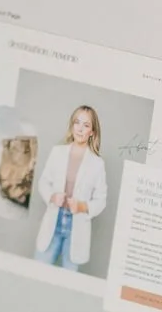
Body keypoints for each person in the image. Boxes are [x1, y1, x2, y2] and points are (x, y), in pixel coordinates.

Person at [32, 105, 108, 270]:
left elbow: (101, 200)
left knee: (69, 277)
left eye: (86, 125)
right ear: (72, 125)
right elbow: (44, 182)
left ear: (92, 132)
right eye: (77, 122)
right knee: (37, 271)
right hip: (53, 223)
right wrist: (52, 197)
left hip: (77, 229)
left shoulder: (97, 164)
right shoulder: (57, 152)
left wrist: (82, 206)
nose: (80, 129)